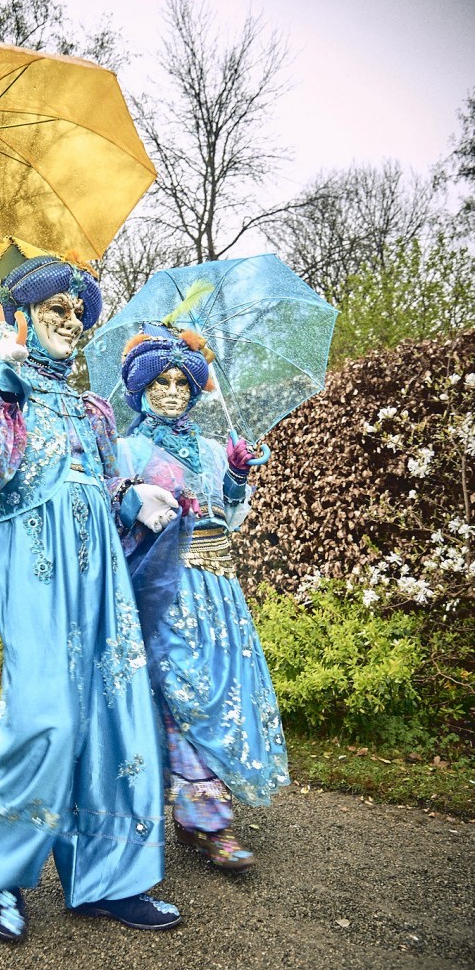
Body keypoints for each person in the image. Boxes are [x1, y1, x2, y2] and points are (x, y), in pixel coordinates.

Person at [0, 244, 181, 941]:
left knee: (114, 711)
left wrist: (133, 498)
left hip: (101, 571)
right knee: (46, 716)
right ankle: (0, 872)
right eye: (54, 308)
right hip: (31, 559)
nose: (71, 319)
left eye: (77, 310)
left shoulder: (92, 406)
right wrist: (0, 387)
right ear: (19, 315)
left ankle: (109, 878)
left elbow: (102, 477)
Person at [116, 322, 290, 870]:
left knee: (225, 695)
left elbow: (232, 518)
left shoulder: (216, 449)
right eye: (160, 382)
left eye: (182, 383)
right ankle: (208, 824)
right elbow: (109, 508)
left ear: (196, 390)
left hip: (220, 592)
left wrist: (237, 476)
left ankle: (200, 816)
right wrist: (136, 502)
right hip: (166, 588)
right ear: (141, 389)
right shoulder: (126, 447)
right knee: (182, 697)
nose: (172, 391)